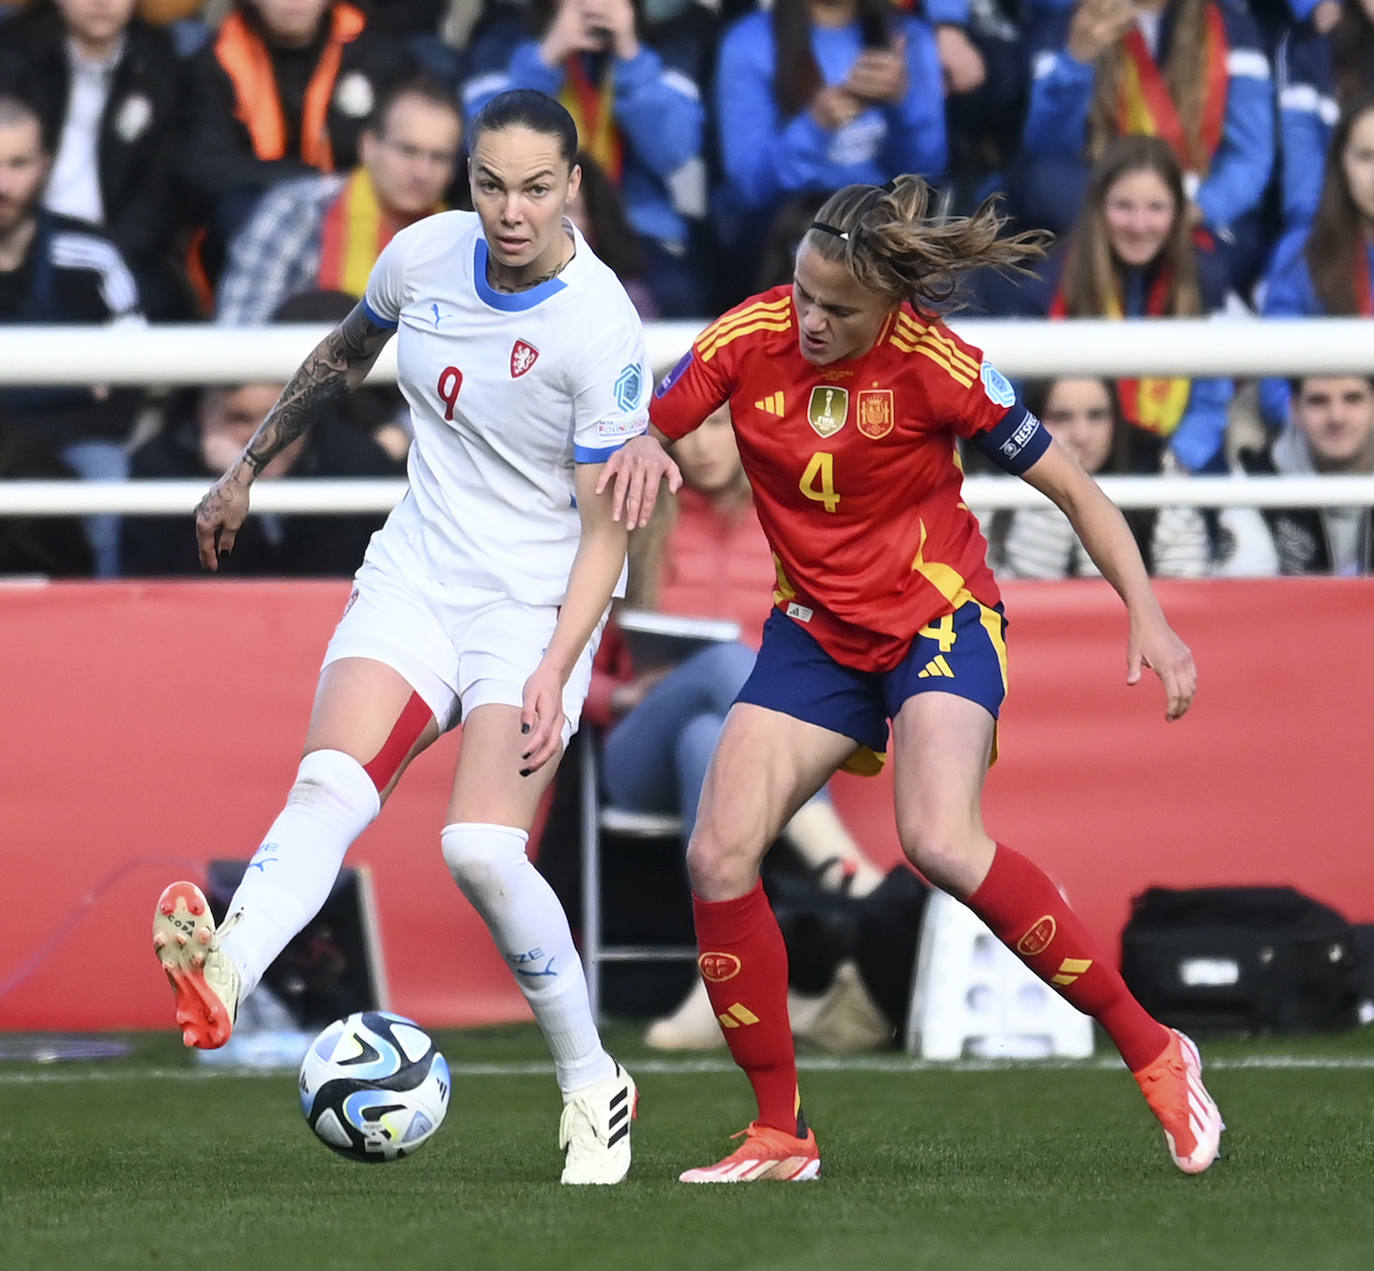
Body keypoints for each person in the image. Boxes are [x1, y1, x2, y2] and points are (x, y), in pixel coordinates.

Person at [641, 174, 1223, 1182]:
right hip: (814, 631)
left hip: (938, 621)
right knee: (718, 853)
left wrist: (1150, 613)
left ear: (890, 308)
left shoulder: (942, 366)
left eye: (838, 308)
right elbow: (647, 429)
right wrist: (626, 459)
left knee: (940, 841)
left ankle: (1154, 1046)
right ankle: (782, 1130)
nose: (811, 319)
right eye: (804, 293)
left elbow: (1074, 485)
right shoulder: (746, 334)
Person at [150, 89, 679, 1185]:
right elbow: (341, 357)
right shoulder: (424, 256)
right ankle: (228, 974)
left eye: (536, 187)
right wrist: (244, 469)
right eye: (491, 184)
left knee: (480, 849)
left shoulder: (599, 323)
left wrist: (553, 664)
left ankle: (592, 1083)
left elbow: (603, 530)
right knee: (328, 784)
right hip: (419, 571)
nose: (511, 210)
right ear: (468, 180)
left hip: (537, 603)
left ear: (572, 185)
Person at [996, 135, 1233, 474]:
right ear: (1098, 207)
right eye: (1124, 206)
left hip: (1170, 473)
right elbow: (1010, 393)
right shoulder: (1049, 283)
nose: (1139, 225)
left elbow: (1211, 402)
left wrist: (1174, 465)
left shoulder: (1204, 282)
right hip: (1066, 469)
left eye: (1156, 208)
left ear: (1179, 212)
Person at [123, 291, 405, 577]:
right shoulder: (158, 469)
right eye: (241, 418)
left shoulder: (359, 465)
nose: (262, 437)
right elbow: (162, 594)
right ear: (204, 416)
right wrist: (230, 496)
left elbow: (340, 583)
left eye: (277, 419)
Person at [461, 0, 712, 317]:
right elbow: (481, 144)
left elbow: (675, 151)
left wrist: (631, 56)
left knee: (679, 296)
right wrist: (547, 56)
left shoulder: (667, 39)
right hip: (526, 217)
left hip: (636, 227)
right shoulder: (504, 34)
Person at [1016, 0, 1273, 294]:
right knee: (1044, 185)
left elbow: (1250, 157)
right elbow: (1048, 149)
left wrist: (1200, 208)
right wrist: (1076, 63)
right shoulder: (1069, 25)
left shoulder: (1232, 29)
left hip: (1198, 204)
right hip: (1098, 207)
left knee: (1213, 260)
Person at [0, 92, 144, 579]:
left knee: (108, 484)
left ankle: (106, 631)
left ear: (44, 164)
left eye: (18, 164)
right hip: (62, 423)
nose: (4, 184)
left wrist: (27, 431)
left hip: (76, 443)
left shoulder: (93, 254)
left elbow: (131, 385)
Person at [712, 0, 946, 280]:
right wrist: (816, 125)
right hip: (785, 237)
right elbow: (748, 188)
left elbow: (929, 171)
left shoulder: (908, 36)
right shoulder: (748, 42)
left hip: (889, 229)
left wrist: (901, 105)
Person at [180, 0, 417, 270]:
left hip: (361, 216)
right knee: (236, 208)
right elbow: (203, 165)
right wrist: (304, 182)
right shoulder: (214, 59)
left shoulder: (378, 53)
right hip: (256, 217)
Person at [0, 0, 193, 319]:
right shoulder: (13, 53)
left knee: (162, 303)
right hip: (24, 236)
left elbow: (164, 186)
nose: (101, 2)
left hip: (125, 248)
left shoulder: (161, 61)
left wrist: (107, 249)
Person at [215, 76, 462, 324]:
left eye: (439, 158)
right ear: (368, 146)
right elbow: (237, 331)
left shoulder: (466, 244)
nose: (422, 172)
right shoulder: (296, 212)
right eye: (408, 151)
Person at [987, 376, 1211, 578]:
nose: (1081, 435)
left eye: (1096, 416)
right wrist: (1057, 488)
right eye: (1061, 417)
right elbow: (1024, 599)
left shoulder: (1157, 478)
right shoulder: (992, 487)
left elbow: (1186, 590)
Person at [1260, 95, 1374, 431]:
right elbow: (1274, 376)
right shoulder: (1303, 251)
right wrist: (1319, 430)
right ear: (1341, 163)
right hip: (1325, 438)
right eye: (1366, 157)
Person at [1239, 374, 1374, 572]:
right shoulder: (1255, 480)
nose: (1336, 417)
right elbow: (1245, 596)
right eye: (1318, 401)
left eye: (1352, 399)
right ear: (1293, 409)